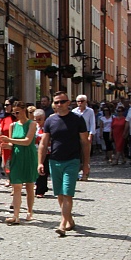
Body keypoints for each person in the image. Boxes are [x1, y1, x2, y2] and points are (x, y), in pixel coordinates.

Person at [38, 92, 89, 236]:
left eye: (62, 102)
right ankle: (70, 220)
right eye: (56, 102)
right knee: (59, 193)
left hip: (72, 160)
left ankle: (62, 223)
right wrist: (40, 162)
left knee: (67, 193)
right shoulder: (50, 121)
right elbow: (43, 143)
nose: (59, 105)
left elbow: (85, 143)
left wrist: (86, 164)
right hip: (54, 160)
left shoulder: (77, 119)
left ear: (68, 103)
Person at [0, 101, 38, 225]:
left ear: (24, 110)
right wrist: (5, 146)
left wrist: (10, 140)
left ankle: (30, 211)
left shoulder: (32, 124)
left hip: (28, 156)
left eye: (18, 112)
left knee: (29, 185)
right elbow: (12, 144)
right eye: (14, 112)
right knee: (16, 186)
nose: (16, 114)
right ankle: (16, 215)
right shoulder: (13, 125)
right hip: (16, 156)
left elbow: (27, 141)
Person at [72, 95, 97, 160]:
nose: (80, 103)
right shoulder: (74, 111)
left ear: (85, 102)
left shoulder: (90, 111)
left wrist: (91, 135)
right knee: (77, 150)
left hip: (86, 132)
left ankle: (86, 165)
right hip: (77, 133)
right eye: (78, 101)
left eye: (82, 101)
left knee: (86, 152)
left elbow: (92, 123)